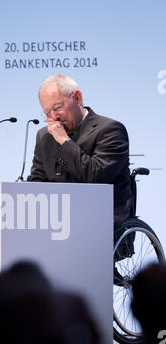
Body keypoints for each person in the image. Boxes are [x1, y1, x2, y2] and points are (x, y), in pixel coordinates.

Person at [28, 75, 132, 229]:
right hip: (56, 221)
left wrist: (64, 141)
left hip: (99, 219)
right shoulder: (44, 136)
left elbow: (96, 177)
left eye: (57, 108)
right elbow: (37, 181)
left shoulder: (111, 130)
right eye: (47, 113)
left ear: (77, 98)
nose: (54, 117)